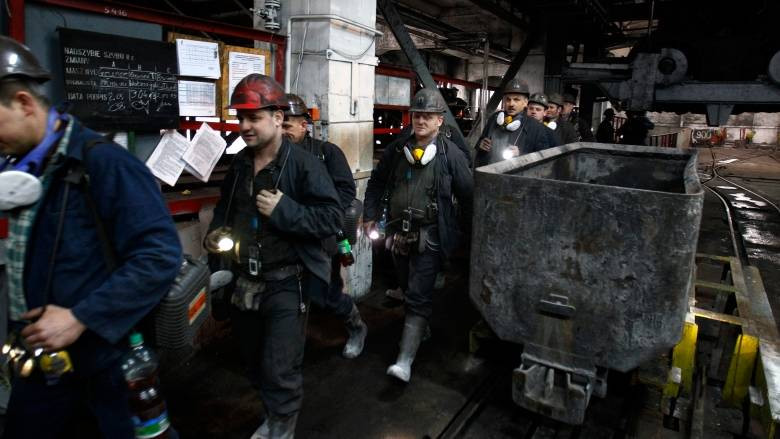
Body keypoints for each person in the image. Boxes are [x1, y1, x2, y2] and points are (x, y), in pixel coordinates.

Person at [0, 36, 182, 438]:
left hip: (104, 368)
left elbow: (160, 256)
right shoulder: (24, 169)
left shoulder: (104, 164)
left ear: (24, 103)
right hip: (42, 365)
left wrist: (81, 316)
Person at [204, 74, 342, 439]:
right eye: (241, 118)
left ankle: (282, 427)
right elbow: (225, 209)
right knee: (252, 363)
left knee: (281, 369)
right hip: (244, 282)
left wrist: (286, 211)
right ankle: (274, 416)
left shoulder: (305, 165)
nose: (244, 126)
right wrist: (216, 233)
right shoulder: (239, 165)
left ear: (278, 118)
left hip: (286, 283)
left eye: (254, 117)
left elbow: (332, 218)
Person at [364, 88, 473, 382]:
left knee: (418, 294)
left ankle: (404, 361)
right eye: (417, 115)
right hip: (397, 233)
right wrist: (370, 214)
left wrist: (468, 237)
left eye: (428, 116)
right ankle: (420, 326)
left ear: (439, 120)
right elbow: (376, 182)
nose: (421, 121)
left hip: (430, 235)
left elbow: (468, 196)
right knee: (406, 285)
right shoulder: (397, 150)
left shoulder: (451, 155)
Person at [281, 93, 367, 359]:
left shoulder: (326, 153)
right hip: (288, 237)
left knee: (327, 294)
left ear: (303, 125)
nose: (282, 131)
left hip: (322, 237)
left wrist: (318, 212)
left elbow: (346, 190)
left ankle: (357, 327)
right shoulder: (274, 157)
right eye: (279, 124)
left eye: (287, 125)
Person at [474, 78, 553, 167]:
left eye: (516, 99)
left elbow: (543, 158)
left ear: (525, 102)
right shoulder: (494, 118)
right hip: (488, 171)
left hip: (514, 174)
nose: (511, 104)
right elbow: (480, 141)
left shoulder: (535, 127)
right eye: (508, 99)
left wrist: (521, 155)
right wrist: (480, 144)